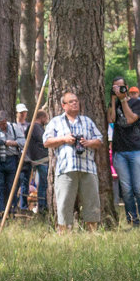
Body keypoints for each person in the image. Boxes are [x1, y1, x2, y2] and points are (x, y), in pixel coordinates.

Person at [43, 92, 104, 233]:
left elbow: (99, 140)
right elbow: (46, 141)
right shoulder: (56, 122)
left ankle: (92, 233)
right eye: (71, 102)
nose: (75, 103)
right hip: (66, 168)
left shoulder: (87, 121)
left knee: (91, 201)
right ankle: (64, 234)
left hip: (87, 167)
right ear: (63, 105)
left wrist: (88, 142)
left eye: (76, 101)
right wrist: (64, 139)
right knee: (64, 202)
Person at [107, 76, 140, 227]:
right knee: (126, 190)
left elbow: (131, 119)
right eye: (115, 87)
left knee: (139, 188)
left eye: (121, 86)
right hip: (120, 151)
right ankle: (133, 221)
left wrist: (123, 99)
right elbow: (111, 120)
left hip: (136, 149)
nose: (119, 89)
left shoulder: (136, 102)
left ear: (126, 87)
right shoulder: (114, 102)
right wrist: (113, 99)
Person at [0, 111, 25, 217]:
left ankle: (11, 209)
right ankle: (0, 211)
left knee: (11, 185)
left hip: (11, 159)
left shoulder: (14, 128)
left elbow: (23, 142)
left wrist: (11, 143)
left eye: (3, 123)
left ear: (6, 121)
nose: (2, 125)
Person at [25, 110, 49, 214]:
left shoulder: (34, 127)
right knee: (44, 183)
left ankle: (44, 205)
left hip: (41, 159)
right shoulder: (35, 127)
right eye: (46, 118)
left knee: (44, 183)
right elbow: (44, 140)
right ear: (42, 117)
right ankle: (42, 207)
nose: (46, 121)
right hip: (41, 159)